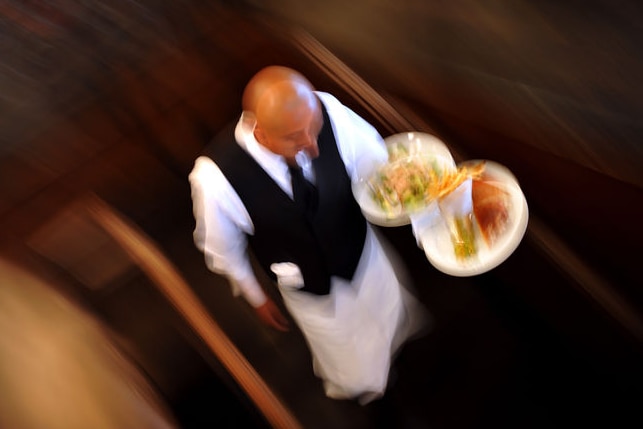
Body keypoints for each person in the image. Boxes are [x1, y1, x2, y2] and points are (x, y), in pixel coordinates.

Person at [189, 65, 425, 403]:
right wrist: (255, 296)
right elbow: (223, 249)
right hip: (311, 288)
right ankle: (370, 390)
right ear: (260, 131)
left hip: (361, 253)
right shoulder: (214, 180)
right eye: (294, 138)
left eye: (314, 129)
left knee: (386, 310)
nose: (312, 146)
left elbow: (374, 163)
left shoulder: (325, 109)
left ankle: (396, 352)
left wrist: (419, 207)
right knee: (344, 349)